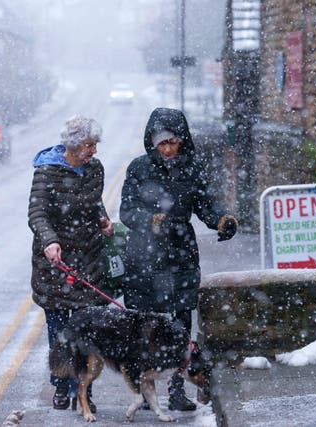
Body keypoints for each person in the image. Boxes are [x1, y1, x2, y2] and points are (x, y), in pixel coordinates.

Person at [119, 107, 237, 411]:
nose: (168, 149)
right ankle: (145, 390)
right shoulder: (138, 169)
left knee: (180, 326)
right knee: (145, 327)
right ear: (152, 143)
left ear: (182, 140)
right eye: (162, 143)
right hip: (145, 256)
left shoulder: (192, 168)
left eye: (173, 142)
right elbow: (127, 212)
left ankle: (176, 391)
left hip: (180, 254)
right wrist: (151, 221)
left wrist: (221, 219)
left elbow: (205, 205)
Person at [28, 115, 114, 411]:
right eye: (90, 145)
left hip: (89, 259)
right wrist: (51, 241)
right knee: (60, 333)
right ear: (74, 144)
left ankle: (84, 388)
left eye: (95, 145)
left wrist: (102, 218)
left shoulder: (94, 169)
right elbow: (37, 214)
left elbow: (95, 201)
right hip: (57, 264)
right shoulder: (47, 171)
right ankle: (61, 384)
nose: (94, 151)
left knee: (88, 332)